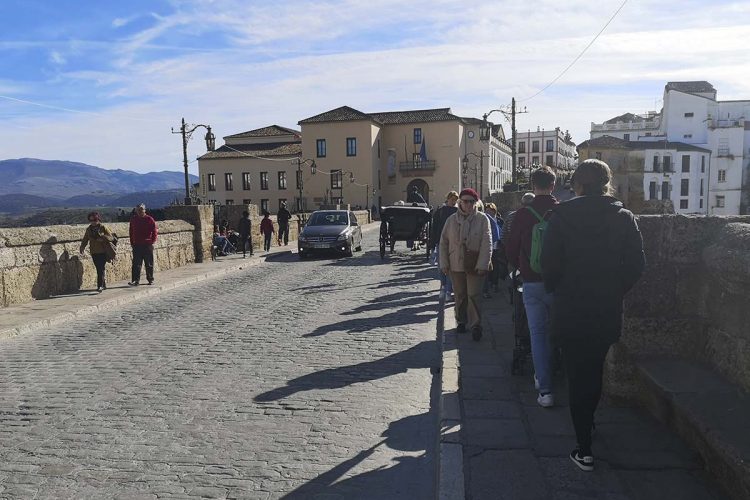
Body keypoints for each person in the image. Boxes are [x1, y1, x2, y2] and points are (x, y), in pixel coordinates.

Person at [541, 159, 645, 471]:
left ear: (577, 184)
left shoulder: (559, 217)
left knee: (577, 375)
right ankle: (589, 424)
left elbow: (548, 264)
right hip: (604, 309)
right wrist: (614, 290)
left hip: (571, 307)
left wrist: (558, 288)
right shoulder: (624, 218)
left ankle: (583, 446)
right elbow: (637, 265)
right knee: (594, 370)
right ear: (606, 184)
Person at [505, 167, 558, 407]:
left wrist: (520, 268)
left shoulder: (523, 215)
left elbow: (511, 247)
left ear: (532, 185)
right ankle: (555, 374)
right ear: (554, 185)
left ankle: (545, 389)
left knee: (537, 334)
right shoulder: (561, 211)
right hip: (559, 283)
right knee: (557, 333)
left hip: (531, 281)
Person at [439, 188, 492, 341]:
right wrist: (444, 263)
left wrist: (483, 264)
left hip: (475, 264)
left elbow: (487, 243)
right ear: (460, 202)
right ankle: (461, 320)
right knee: (460, 295)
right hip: (456, 263)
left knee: (474, 294)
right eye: (465, 201)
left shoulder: (482, 219)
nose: (468, 204)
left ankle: (476, 325)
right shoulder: (451, 220)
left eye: (471, 202)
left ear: (475, 203)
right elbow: (443, 243)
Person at [431, 191, 459, 300]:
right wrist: (432, 244)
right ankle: (444, 286)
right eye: (452, 199)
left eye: (455, 200)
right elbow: (435, 229)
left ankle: (447, 290)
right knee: (442, 266)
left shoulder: (458, 212)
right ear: (447, 199)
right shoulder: (440, 212)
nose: (454, 201)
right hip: (441, 243)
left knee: (451, 268)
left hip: (454, 244)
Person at [79, 211, 115, 293]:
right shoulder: (88, 229)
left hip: (103, 251)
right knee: (99, 268)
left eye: (95, 220)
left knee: (100, 268)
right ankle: (103, 284)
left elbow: (111, 238)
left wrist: (102, 238)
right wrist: (82, 247)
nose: (93, 222)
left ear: (98, 219)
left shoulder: (103, 227)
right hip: (94, 252)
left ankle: (100, 286)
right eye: (91, 220)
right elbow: (85, 239)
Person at [128, 203, 158, 286]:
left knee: (148, 263)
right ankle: (135, 280)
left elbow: (154, 231)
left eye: (141, 209)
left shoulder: (149, 219)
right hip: (136, 244)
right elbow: (131, 231)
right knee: (136, 264)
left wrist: (152, 242)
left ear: (145, 210)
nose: (139, 211)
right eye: (138, 210)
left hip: (147, 244)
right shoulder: (133, 219)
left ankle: (150, 279)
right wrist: (132, 242)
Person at [482, 202, 502, 298]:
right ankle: (487, 287)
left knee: (496, 267)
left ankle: (494, 284)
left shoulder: (499, 220)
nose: (488, 213)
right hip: (487, 249)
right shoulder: (484, 220)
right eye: (486, 211)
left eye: (490, 211)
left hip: (496, 248)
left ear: (494, 211)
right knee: (487, 269)